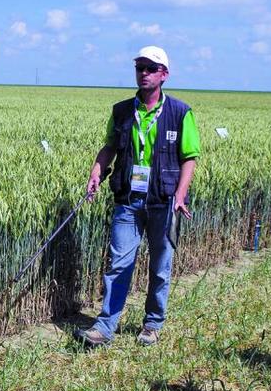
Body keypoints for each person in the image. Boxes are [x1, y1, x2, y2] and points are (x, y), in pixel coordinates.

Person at [75, 46, 200, 347]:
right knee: (118, 264)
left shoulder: (180, 112)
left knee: (160, 265)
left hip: (163, 200)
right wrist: (96, 171)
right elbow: (109, 147)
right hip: (128, 200)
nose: (144, 73)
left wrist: (180, 196)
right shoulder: (121, 111)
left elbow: (190, 157)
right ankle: (105, 327)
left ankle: (152, 324)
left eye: (151, 68)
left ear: (164, 75)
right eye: (140, 67)